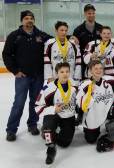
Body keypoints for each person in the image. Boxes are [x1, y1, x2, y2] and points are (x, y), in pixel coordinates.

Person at [2, 10, 52, 141]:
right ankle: (11, 130)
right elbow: (6, 54)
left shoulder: (41, 35)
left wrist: (71, 37)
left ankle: (32, 124)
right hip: (22, 76)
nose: (29, 20)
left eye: (31, 18)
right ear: (22, 21)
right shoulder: (15, 36)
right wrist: (15, 70)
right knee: (19, 103)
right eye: (26, 18)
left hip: (38, 76)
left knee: (35, 102)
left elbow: (55, 40)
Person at [76, 60, 114, 152]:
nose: (99, 70)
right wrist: (89, 93)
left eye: (101, 68)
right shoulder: (84, 85)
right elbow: (81, 105)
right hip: (93, 116)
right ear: (90, 71)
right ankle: (106, 130)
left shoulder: (110, 80)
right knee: (91, 140)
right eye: (95, 69)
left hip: (108, 111)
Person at [35, 63, 76, 165]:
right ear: (56, 73)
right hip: (53, 115)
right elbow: (37, 107)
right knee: (48, 129)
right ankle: (51, 148)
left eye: (67, 71)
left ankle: (49, 133)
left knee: (64, 143)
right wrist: (53, 109)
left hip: (68, 116)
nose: (65, 74)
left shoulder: (74, 85)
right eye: (62, 72)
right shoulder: (48, 88)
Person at [44, 21, 81, 86]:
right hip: (55, 77)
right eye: (61, 30)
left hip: (70, 77)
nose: (64, 32)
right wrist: (49, 77)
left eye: (66, 30)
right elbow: (47, 62)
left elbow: (78, 62)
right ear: (56, 31)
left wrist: (77, 77)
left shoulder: (73, 43)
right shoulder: (50, 43)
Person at [73, 4, 103, 79]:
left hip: (98, 61)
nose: (91, 15)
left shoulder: (100, 28)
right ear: (85, 14)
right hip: (84, 63)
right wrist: (71, 37)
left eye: (93, 13)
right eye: (89, 13)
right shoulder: (78, 30)